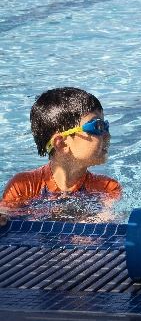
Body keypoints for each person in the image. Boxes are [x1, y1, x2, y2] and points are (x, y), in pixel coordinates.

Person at [1, 87, 120, 221]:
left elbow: (107, 219)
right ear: (61, 143)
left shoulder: (107, 187)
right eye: (97, 127)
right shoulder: (23, 186)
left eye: (106, 126)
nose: (107, 135)